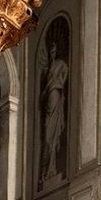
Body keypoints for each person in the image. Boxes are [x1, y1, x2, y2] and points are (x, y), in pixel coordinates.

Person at [40, 41, 68, 181]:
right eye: (50, 51)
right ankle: (47, 169)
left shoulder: (60, 64)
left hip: (55, 94)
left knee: (52, 133)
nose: (52, 53)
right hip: (50, 97)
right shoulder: (49, 67)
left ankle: (51, 168)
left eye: (53, 50)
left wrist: (53, 84)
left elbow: (63, 79)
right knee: (47, 134)